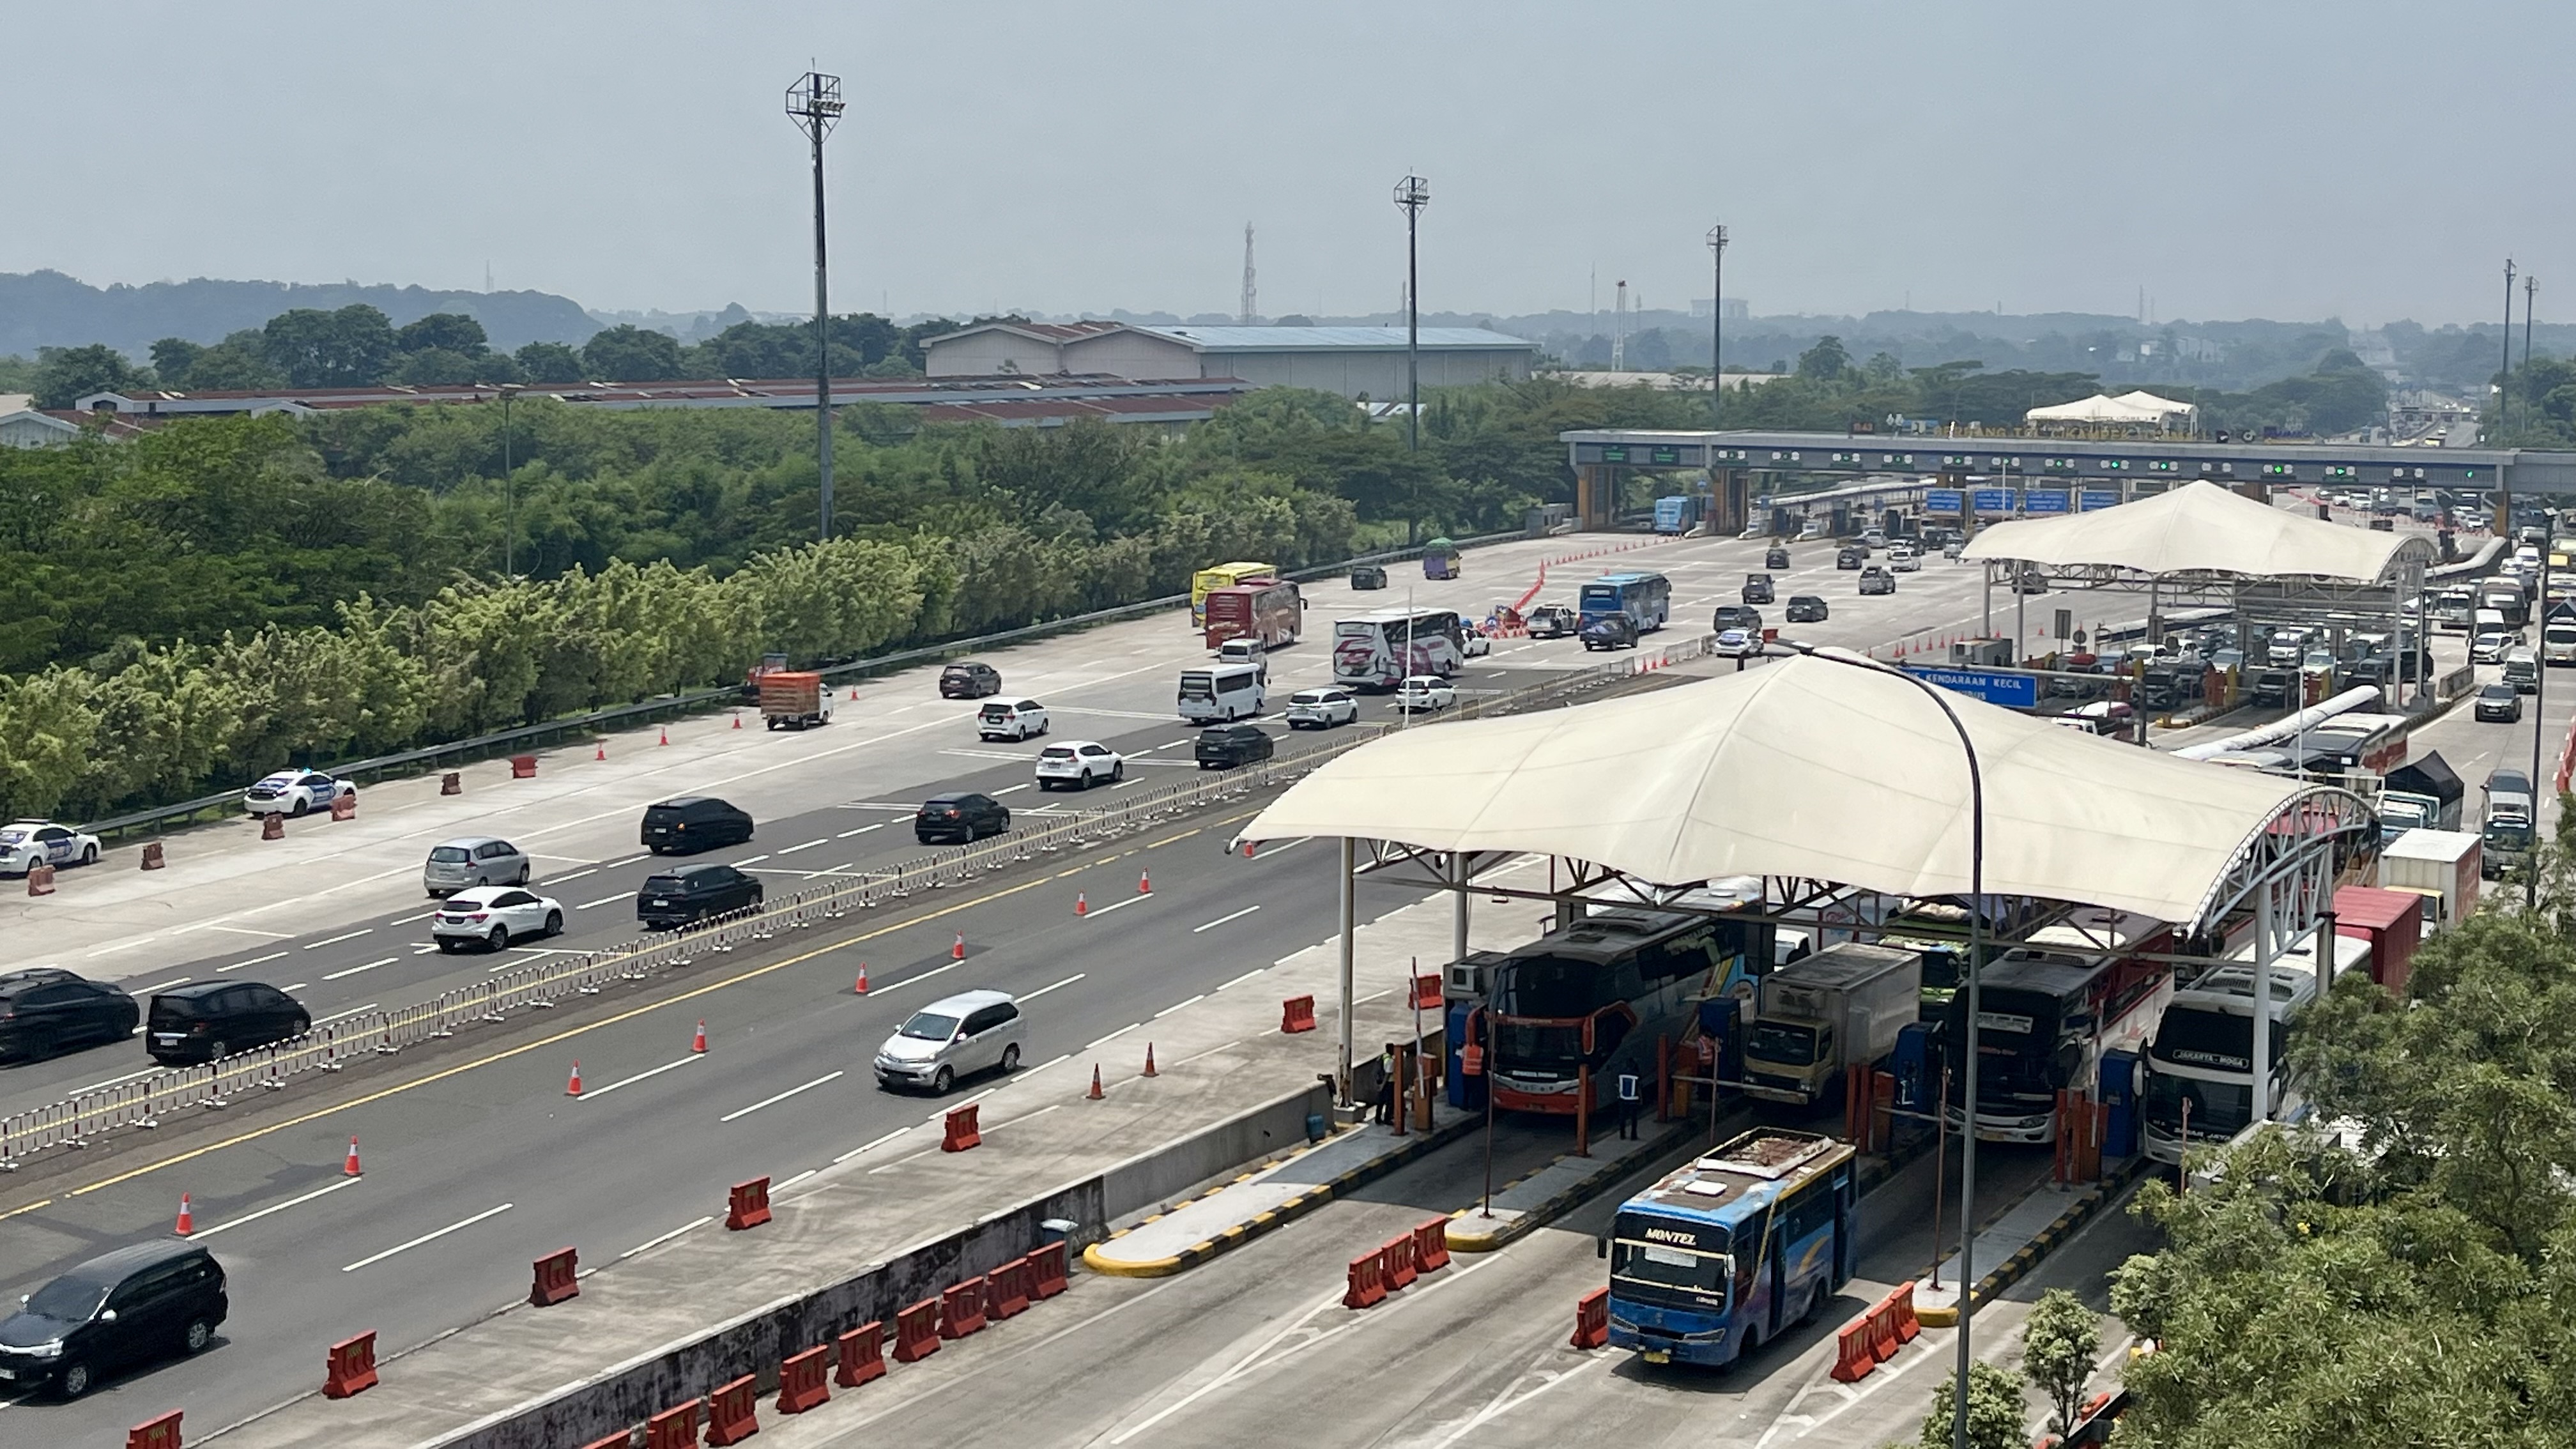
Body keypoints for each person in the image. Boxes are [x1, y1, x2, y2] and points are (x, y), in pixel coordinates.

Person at [1372, 1045, 1397, 1124]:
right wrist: (1382, 1086)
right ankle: (1387, 1118)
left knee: (1380, 1101)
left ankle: (1378, 1118)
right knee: (1389, 1102)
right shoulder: (1390, 1060)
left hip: (1380, 1081)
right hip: (1388, 1083)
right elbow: (1388, 1074)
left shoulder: (1383, 1056)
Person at [1616, 1070, 1641, 1141]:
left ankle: (1622, 1135)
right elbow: (1639, 1087)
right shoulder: (1636, 1075)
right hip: (1633, 1100)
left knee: (1622, 1118)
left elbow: (1618, 1085)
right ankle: (1633, 1136)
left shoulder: (1621, 1074)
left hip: (1623, 1099)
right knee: (1633, 1119)